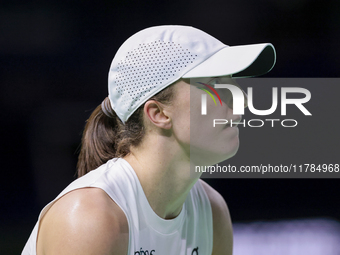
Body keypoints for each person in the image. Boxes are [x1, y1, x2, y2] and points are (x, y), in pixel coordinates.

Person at [22, 25, 276, 255]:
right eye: (213, 87)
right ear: (158, 113)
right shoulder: (89, 218)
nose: (238, 103)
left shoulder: (212, 212)